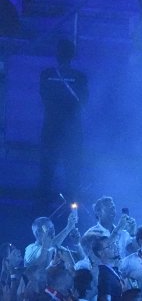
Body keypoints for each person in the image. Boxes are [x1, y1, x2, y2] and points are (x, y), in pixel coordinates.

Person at [39, 38, 88, 202]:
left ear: (57, 54)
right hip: (72, 129)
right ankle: (72, 208)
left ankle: (41, 207)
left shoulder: (46, 75)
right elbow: (83, 101)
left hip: (51, 127)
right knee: (72, 170)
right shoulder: (80, 77)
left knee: (47, 168)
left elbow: (44, 97)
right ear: (73, 55)